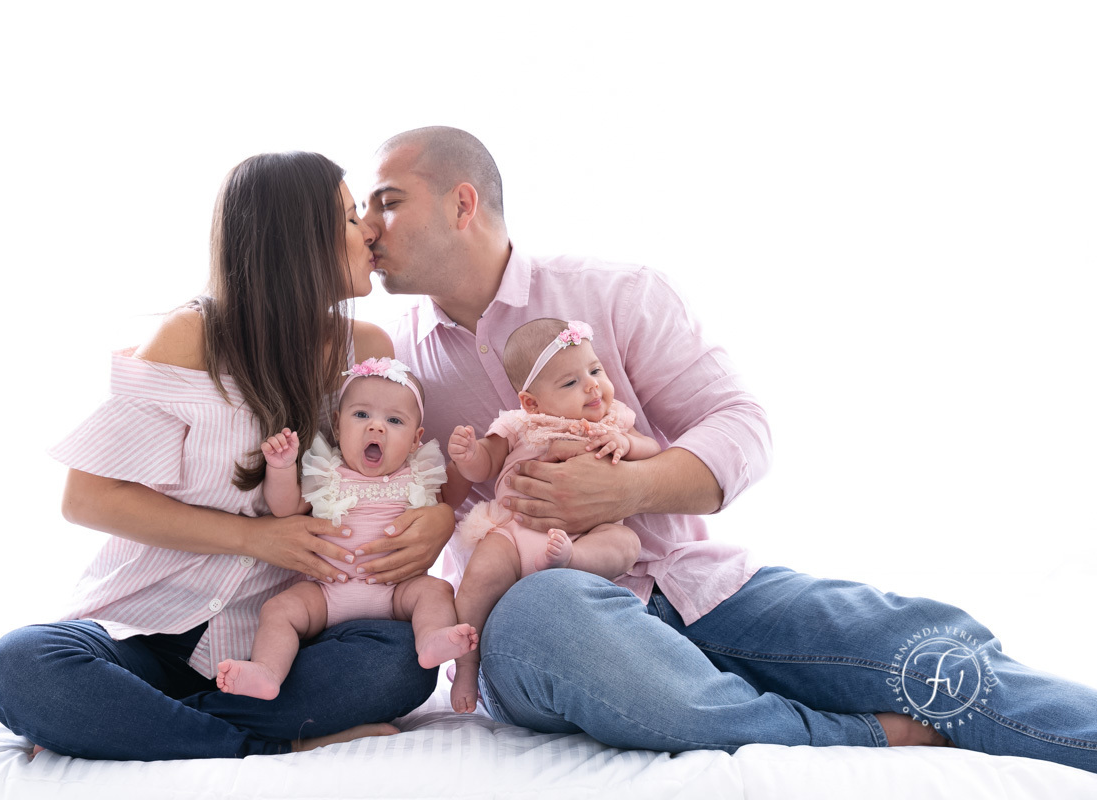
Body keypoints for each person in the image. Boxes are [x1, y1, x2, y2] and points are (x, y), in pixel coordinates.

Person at [360, 125, 1097, 771]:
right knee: (550, 612)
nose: (368, 227)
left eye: (387, 202)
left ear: (462, 204)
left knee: (918, 646)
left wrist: (626, 489)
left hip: (697, 589)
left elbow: (740, 425)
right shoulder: (395, 368)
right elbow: (388, 501)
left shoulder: (617, 294)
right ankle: (851, 734)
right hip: (549, 618)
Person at [0, 151, 457, 761]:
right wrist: (255, 539)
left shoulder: (364, 350)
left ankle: (136, 725)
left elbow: (393, 473)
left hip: (276, 643)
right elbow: (88, 499)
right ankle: (271, 742)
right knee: (20, 665)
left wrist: (440, 519)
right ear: (295, 240)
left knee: (400, 663)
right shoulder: (191, 337)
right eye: (347, 216)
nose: (369, 229)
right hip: (149, 628)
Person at [216, 357, 478, 701]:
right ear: (338, 426)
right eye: (361, 414)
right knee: (278, 610)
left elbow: (450, 500)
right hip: (327, 592)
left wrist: (465, 461)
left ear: (416, 440)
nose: (376, 427)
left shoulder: (418, 474)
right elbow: (285, 508)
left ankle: (430, 638)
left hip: (397, 591)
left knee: (436, 590)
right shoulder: (327, 471)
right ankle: (267, 670)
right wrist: (281, 468)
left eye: (394, 420)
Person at [446, 318, 653, 711]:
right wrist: (469, 455)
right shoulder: (519, 424)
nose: (592, 386)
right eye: (571, 382)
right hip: (515, 533)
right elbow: (485, 464)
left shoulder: (615, 420)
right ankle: (467, 664)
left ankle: (572, 560)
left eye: (595, 371)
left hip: (587, 533)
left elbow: (652, 448)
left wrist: (626, 444)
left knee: (625, 543)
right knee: (479, 576)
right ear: (531, 403)